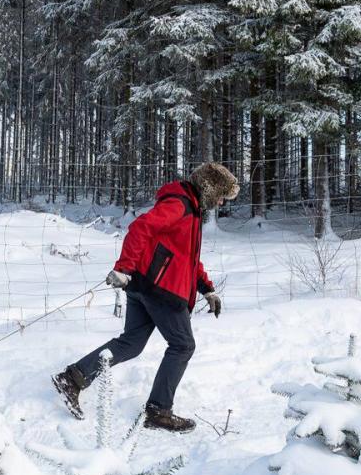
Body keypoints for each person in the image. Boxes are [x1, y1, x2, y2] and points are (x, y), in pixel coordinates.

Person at [51, 162, 239, 433]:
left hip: (144, 286)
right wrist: (123, 268)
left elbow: (188, 258)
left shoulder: (191, 209)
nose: (221, 201)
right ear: (209, 188)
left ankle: (73, 378)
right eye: (221, 195)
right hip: (161, 291)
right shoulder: (180, 205)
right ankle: (159, 410)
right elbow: (140, 228)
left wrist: (206, 288)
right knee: (183, 346)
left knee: (131, 343)